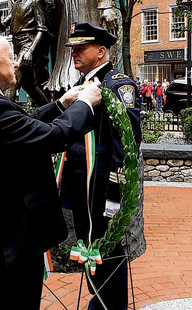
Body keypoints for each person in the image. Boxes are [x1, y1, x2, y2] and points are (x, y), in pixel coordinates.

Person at [0, 31, 101, 310]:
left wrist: (60, 104)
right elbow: (52, 137)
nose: (17, 63)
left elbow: (23, 125)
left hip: (0, 228)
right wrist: (84, 104)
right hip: (11, 232)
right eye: (10, 58)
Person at [60, 22, 143, 310]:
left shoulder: (118, 85)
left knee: (109, 250)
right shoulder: (79, 86)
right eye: (73, 49)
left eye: (81, 48)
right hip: (81, 186)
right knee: (89, 247)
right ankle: (101, 301)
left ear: (101, 51)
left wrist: (115, 194)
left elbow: (127, 144)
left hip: (102, 188)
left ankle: (112, 305)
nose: (74, 53)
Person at [0, 0, 54, 105]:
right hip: (17, 45)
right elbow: (2, 28)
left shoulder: (36, 0)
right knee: (29, 86)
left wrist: (30, 51)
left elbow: (41, 29)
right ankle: (51, 113)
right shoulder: (17, 3)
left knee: (12, 79)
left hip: (28, 45)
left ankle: (4, 119)